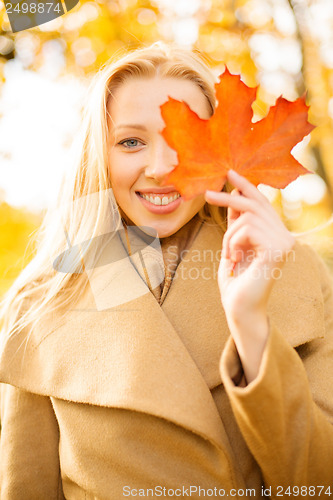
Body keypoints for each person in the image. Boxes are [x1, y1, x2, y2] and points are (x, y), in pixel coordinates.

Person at [0, 40, 332, 499]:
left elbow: (318, 482)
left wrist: (252, 327)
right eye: (131, 142)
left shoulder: (300, 275)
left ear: (220, 152)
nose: (159, 168)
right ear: (99, 155)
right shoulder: (42, 302)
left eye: (183, 141)